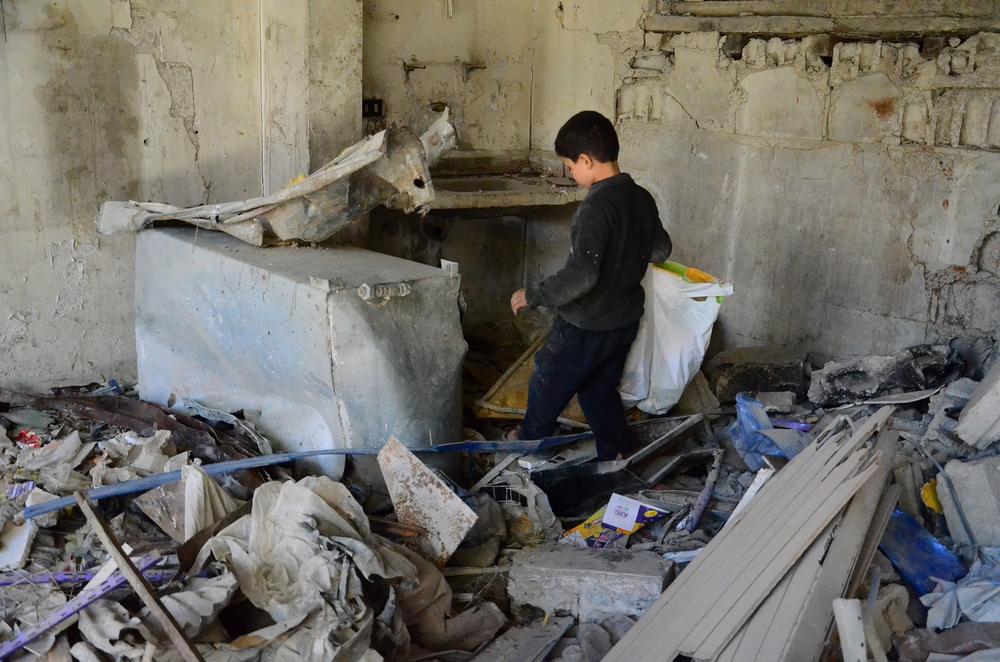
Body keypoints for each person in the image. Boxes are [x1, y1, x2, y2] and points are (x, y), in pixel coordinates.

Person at [510, 110, 671, 460]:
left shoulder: (595, 208)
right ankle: (616, 450)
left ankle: (527, 445)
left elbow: (582, 276)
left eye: (570, 166)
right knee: (599, 390)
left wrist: (534, 294)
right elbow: (660, 250)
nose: (571, 173)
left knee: (548, 379)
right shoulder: (641, 197)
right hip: (623, 319)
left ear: (586, 160)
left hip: (585, 323)